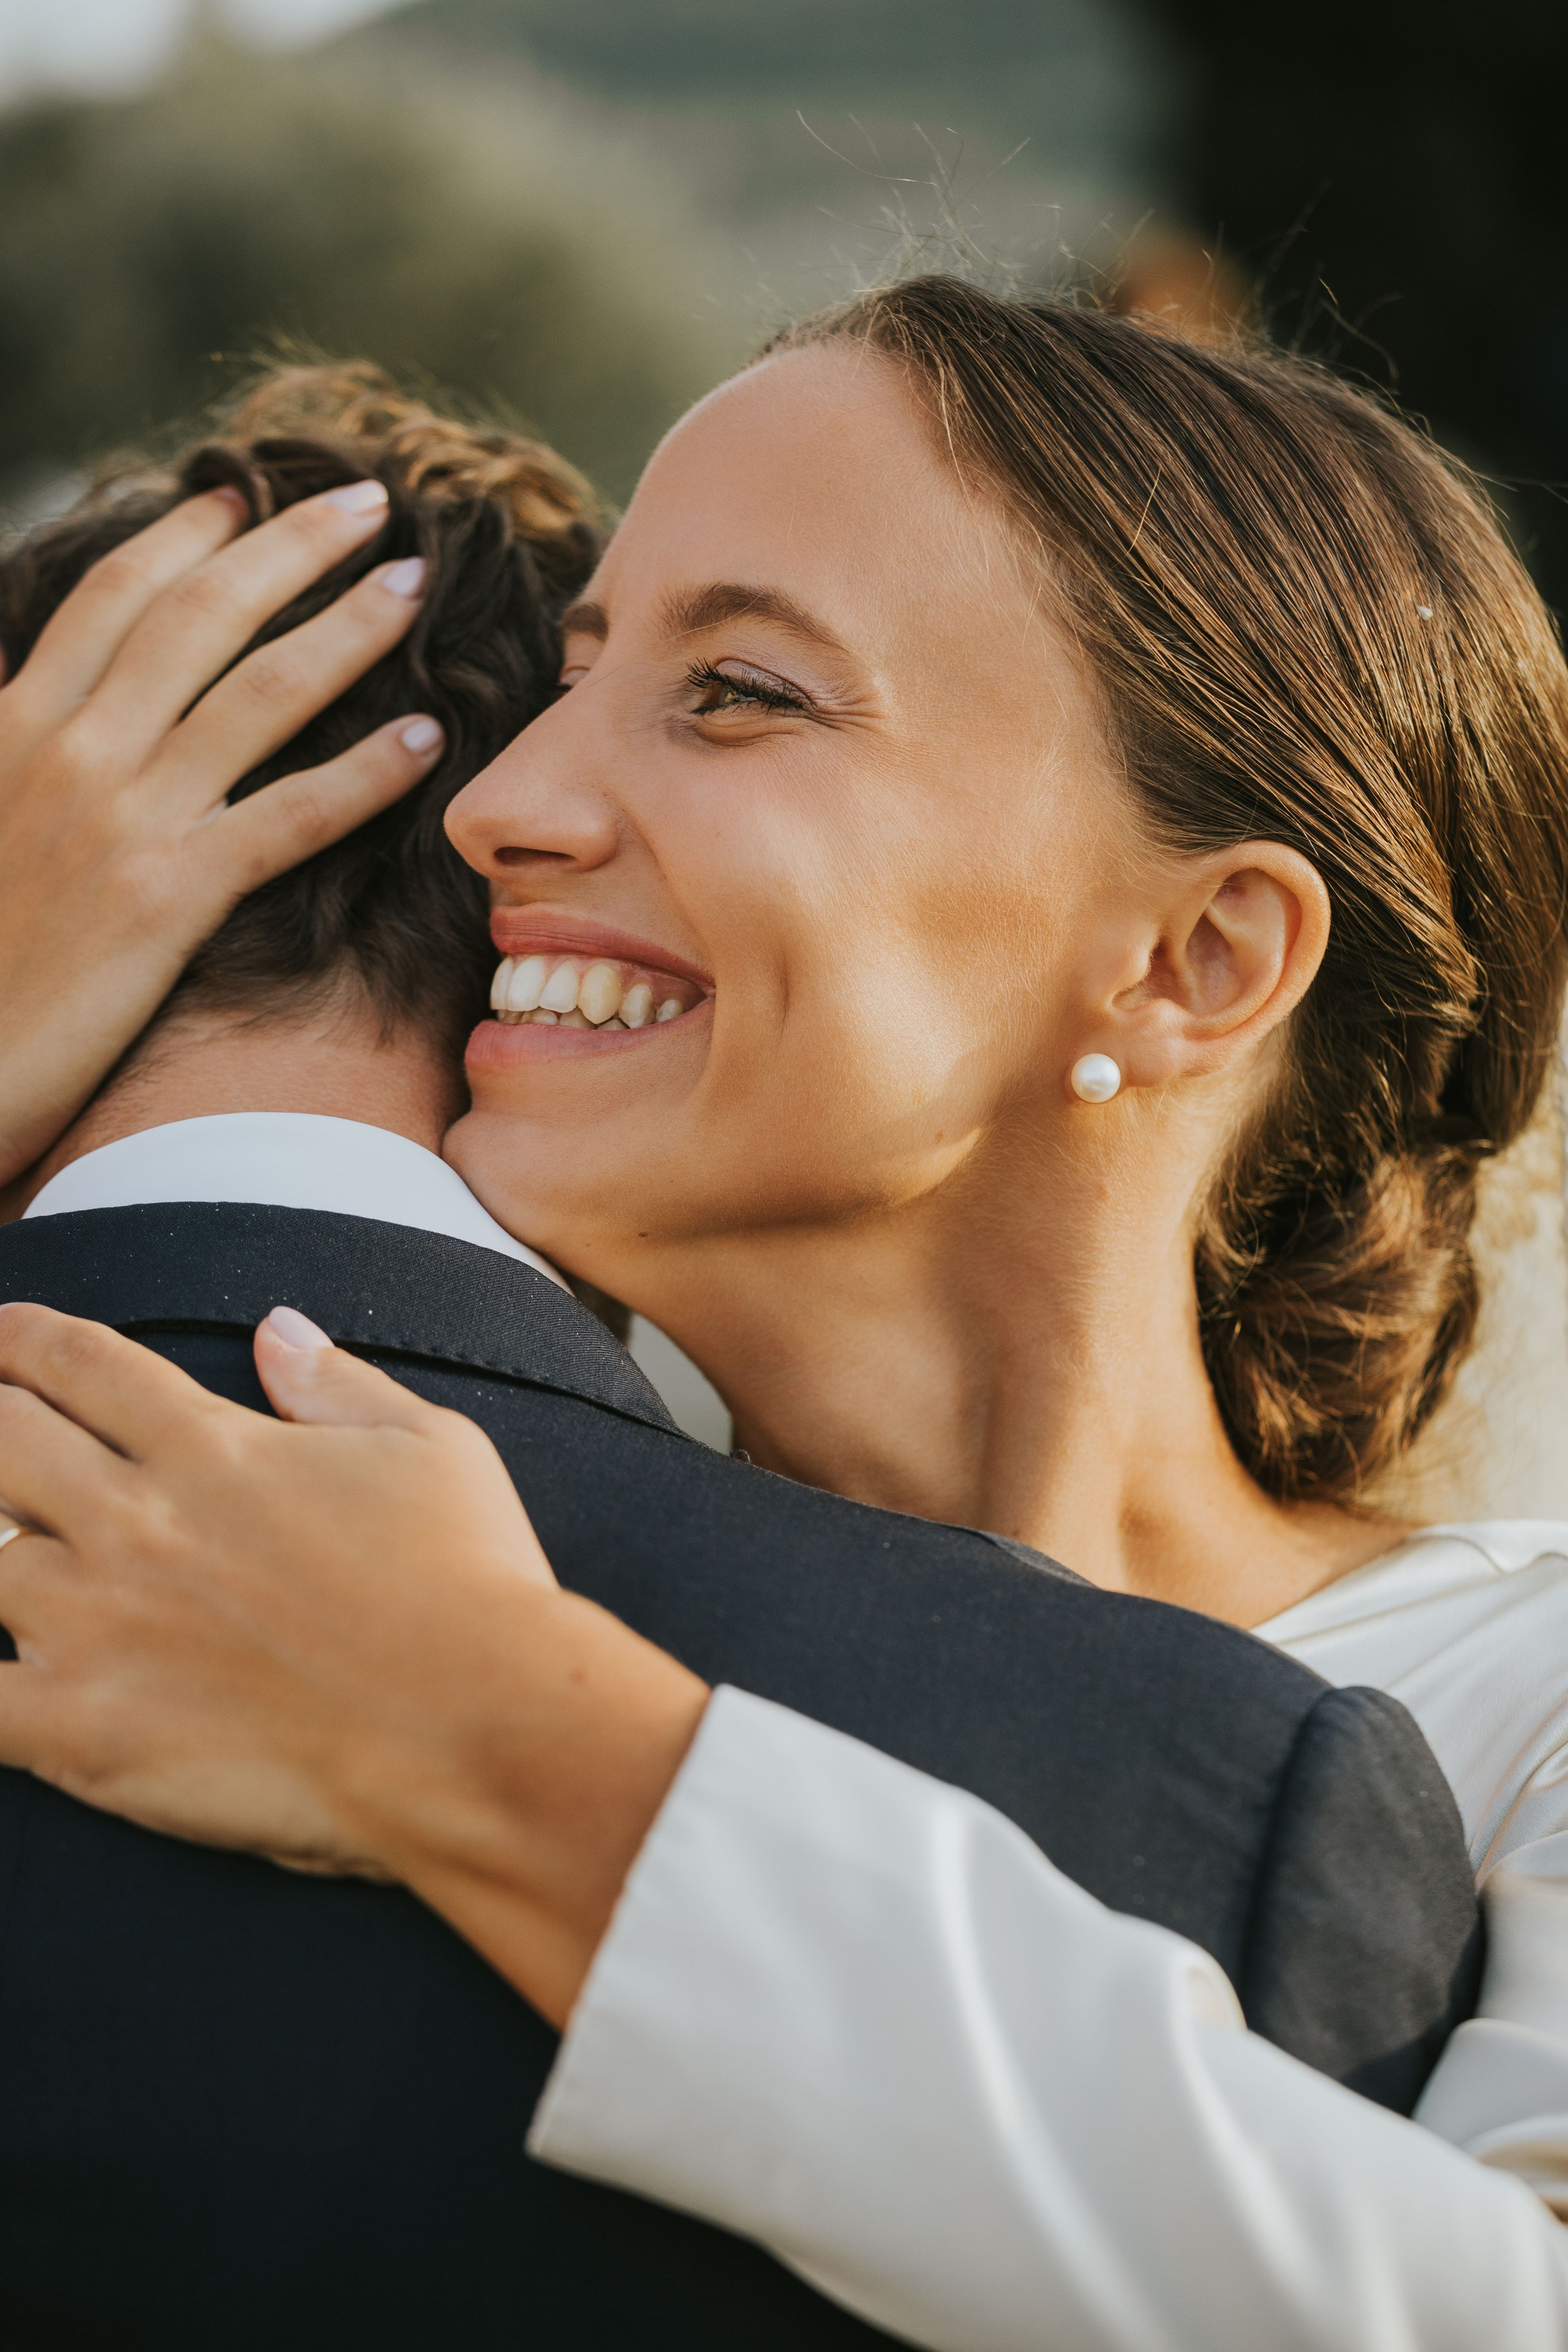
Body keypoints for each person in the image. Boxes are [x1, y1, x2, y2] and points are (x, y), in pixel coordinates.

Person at [2, 278, 1567, 2348]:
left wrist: (510, 1745)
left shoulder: (1526, 1702)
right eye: (574, 677)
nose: (500, 804)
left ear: (1198, 957)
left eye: (736, 693)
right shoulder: (320, 1471)